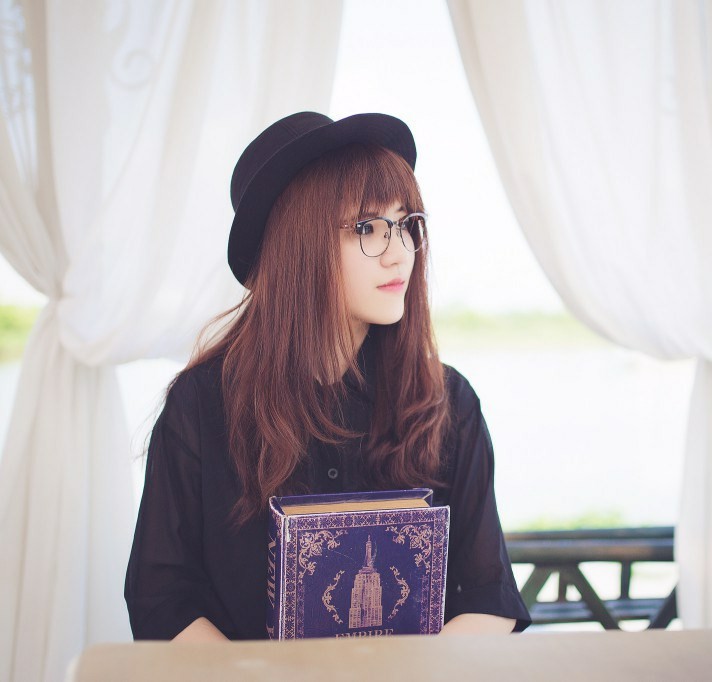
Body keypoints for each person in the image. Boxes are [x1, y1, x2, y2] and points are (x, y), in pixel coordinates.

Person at [124, 112, 531, 641]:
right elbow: (162, 598)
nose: (399, 252)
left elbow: (489, 595)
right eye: (366, 228)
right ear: (297, 248)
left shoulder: (446, 401)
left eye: (406, 223)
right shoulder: (201, 405)